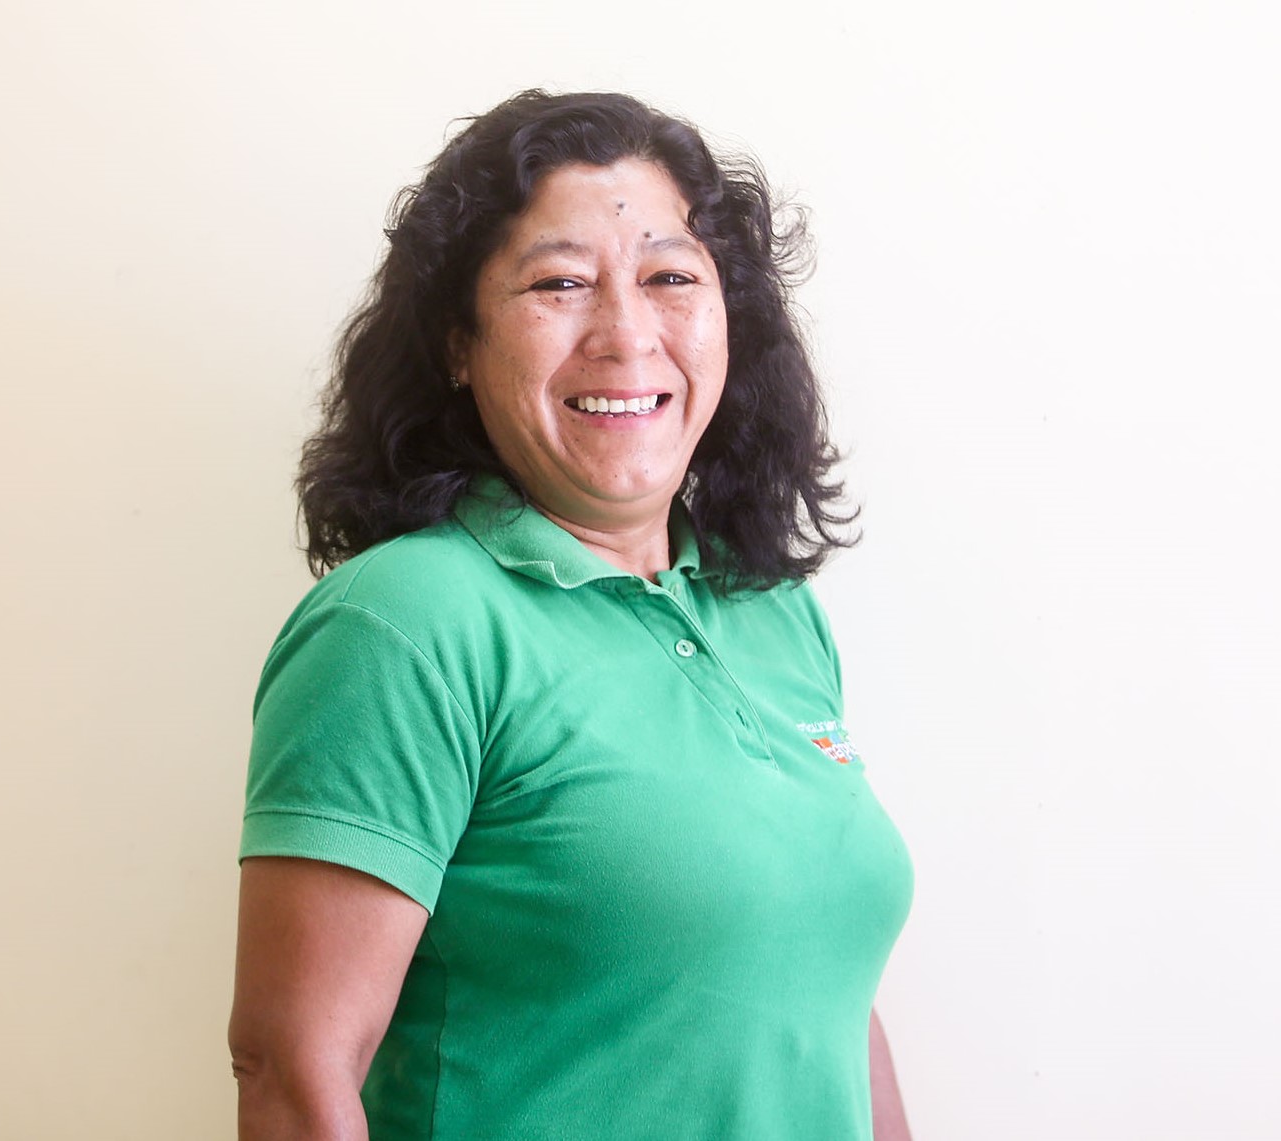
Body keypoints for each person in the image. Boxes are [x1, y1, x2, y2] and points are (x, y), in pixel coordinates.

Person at [229, 90, 914, 1141]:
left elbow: (825, 1005)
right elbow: (293, 1068)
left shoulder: (772, 610)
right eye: (559, 283)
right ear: (457, 344)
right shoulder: (404, 623)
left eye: (671, 278)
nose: (627, 335)